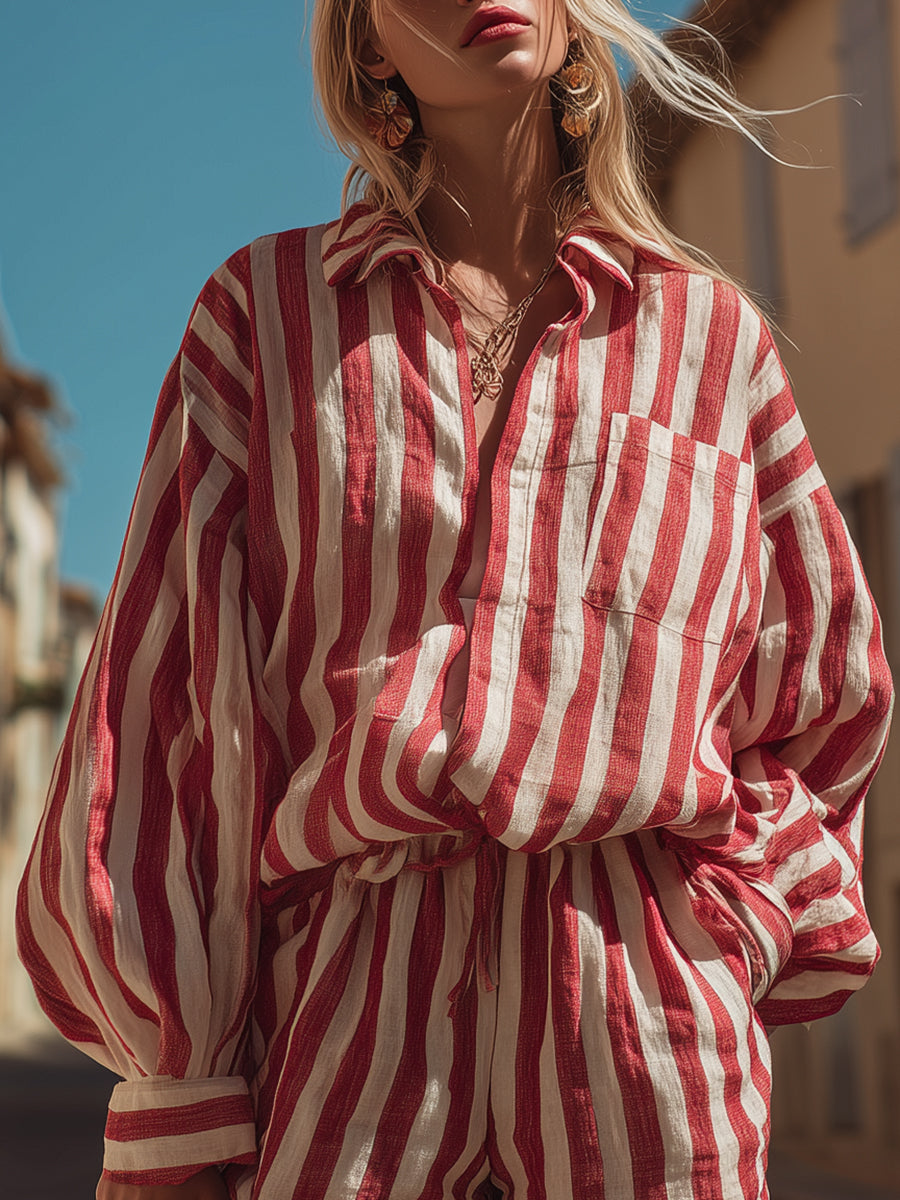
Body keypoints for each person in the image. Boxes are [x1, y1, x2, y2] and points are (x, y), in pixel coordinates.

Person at [16, 0, 893, 1197]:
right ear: (368, 44)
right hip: (349, 1030)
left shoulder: (710, 341)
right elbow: (170, 704)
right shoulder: (262, 319)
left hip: (647, 1037)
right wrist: (177, 1093)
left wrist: (728, 929)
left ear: (573, 23)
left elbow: (826, 690)